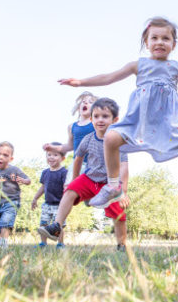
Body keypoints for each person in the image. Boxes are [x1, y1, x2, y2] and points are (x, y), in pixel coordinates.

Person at [57, 17, 178, 213]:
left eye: (165, 38)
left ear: (173, 44)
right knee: (111, 137)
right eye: (154, 38)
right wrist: (80, 82)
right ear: (146, 42)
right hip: (139, 122)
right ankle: (114, 186)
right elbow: (108, 77)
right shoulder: (137, 65)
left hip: (170, 122)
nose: (159, 42)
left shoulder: (176, 67)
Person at [38, 98, 129, 250]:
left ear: (115, 120)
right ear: (91, 119)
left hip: (110, 183)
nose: (100, 120)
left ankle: (121, 244)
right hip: (90, 178)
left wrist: (123, 191)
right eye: (96, 116)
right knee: (69, 192)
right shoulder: (88, 139)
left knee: (118, 214)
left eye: (105, 116)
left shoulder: (118, 141)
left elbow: (124, 166)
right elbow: (78, 158)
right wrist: (75, 179)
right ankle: (56, 226)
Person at [43, 91, 97, 184]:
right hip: (76, 164)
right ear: (79, 107)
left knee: (92, 194)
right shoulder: (72, 127)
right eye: (83, 101)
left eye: (90, 102)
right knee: (69, 189)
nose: (85, 103)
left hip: (94, 165)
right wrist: (52, 147)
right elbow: (69, 146)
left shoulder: (96, 123)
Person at [32, 142, 68, 248]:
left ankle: (60, 243)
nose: (51, 157)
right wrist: (35, 198)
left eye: (55, 155)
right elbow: (43, 187)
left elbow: (66, 187)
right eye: (49, 155)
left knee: (58, 225)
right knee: (43, 224)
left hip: (60, 204)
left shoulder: (64, 172)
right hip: (47, 204)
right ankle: (43, 243)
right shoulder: (45, 173)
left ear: (63, 158)